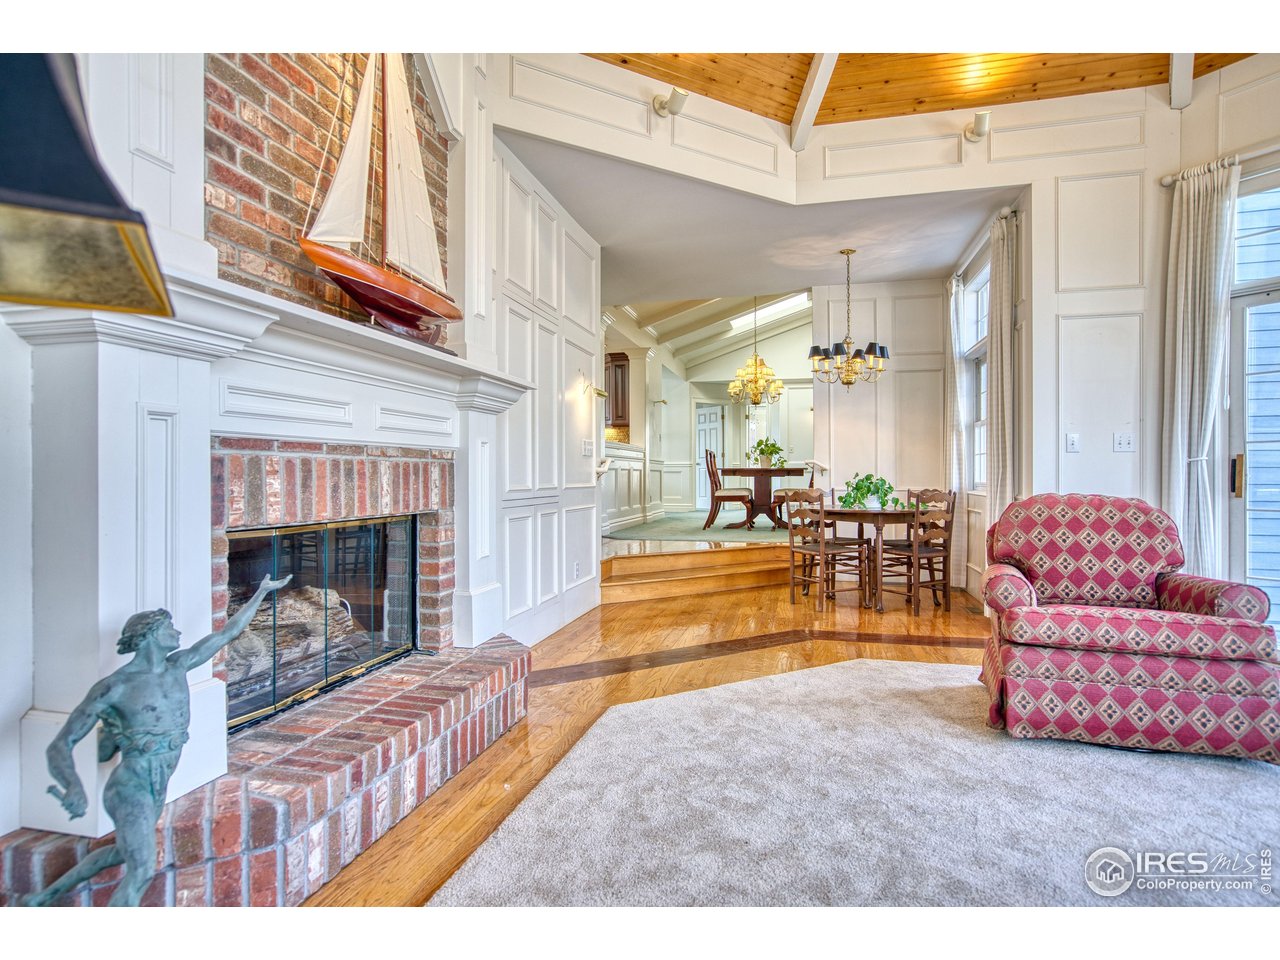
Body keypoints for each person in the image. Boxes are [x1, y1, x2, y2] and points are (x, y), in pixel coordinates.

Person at [23, 574, 291, 907]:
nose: (177, 633)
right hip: (130, 786)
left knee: (124, 852)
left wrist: (261, 592)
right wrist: (74, 787)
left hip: (158, 783)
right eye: (170, 627)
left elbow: (228, 633)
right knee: (142, 870)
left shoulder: (178, 665)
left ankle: (41, 898)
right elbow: (60, 744)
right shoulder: (115, 687)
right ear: (151, 635)